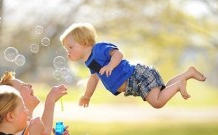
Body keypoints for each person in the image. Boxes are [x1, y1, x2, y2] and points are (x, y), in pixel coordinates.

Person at [60, 23, 206, 108]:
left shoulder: (99, 49)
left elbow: (118, 54)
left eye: (70, 47)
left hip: (137, 77)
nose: (68, 51)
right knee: (163, 91)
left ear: (84, 42)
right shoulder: (90, 61)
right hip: (135, 82)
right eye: (67, 49)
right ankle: (188, 74)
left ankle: (180, 84)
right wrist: (87, 96)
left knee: (157, 102)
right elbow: (93, 79)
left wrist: (111, 65)